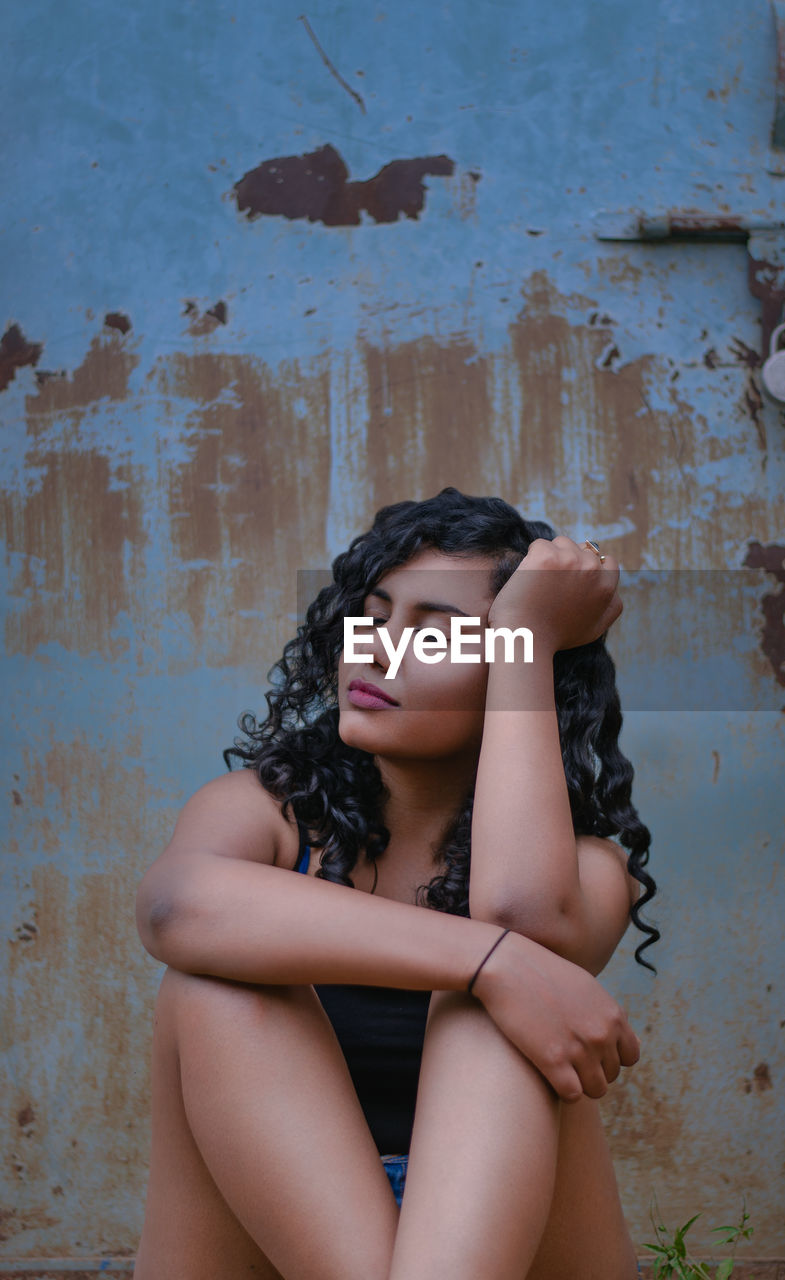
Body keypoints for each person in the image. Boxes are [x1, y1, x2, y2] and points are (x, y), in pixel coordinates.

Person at [133, 487, 658, 1280]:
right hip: (278, 1237)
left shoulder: (587, 870)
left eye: (435, 632)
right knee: (214, 986)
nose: (376, 649)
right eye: (372, 616)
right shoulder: (263, 819)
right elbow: (176, 908)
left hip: (493, 1248)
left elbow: (525, 923)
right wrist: (489, 963)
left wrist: (526, 634)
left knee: (493, 1020)